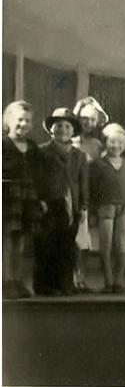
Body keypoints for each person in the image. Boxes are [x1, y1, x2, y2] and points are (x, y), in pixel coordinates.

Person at [34, 108, 88, 296]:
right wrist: (40, 200)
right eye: (58, 126)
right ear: (51, 129)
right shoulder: (42, 152)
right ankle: (45, 286)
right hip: (49, 204)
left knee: (67, 245)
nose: (63, 129)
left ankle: (66, 284)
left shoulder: (79, 155)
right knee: (47, 245)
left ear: (73, 131)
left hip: (70, 206)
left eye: (67, 126)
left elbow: (82, 182)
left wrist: (83, 206)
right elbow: (37, 179)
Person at [89, 123, 125, 293]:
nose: (116, 146)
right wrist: (92, 210)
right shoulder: (97, 164)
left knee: (120, 244)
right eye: (112, 142)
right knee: (106, 245)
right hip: (105, 207)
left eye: (119, 143)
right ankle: (108, 282)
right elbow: (91, 188)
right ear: (105, 143)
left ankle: (118, 281)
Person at [2, 101, 42, 299]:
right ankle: (5, 281)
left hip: (27, 197)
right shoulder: (2, 144)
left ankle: (17, 280)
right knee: (6, 240)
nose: (23, 124)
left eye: (27, 121)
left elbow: (38, 173)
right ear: (8, 120)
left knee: (21, 241)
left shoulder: (33, 147)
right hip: (7, 196)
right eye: (19, 120)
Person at [72, 96, 109, 292]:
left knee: (84, 239)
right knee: (71, 237)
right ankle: (69, 277)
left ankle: (81, 277)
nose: (88, 123)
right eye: (85, 118)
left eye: (93, 119)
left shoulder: (97, 145)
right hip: (72, 194)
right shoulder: (69, 140)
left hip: (91, 194)